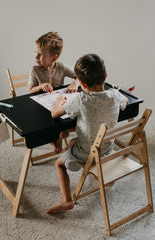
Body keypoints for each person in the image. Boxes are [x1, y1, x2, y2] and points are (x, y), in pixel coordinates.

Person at [47, 53, 129, 214]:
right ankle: (66, 141)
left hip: (89, 150)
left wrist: (59, 101)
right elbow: (125, 102)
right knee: (72, 138)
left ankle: (66, 200)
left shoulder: (81, 99)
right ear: (105, 75)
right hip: (106, 146)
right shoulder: (114, 94)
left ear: (82, 83)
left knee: (59, 164)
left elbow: (55, 114)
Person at [28, 31, 79, 153]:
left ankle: (58, 138)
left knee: (64, 121)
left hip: (57, 103)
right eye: (35, 52)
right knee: (53, 125)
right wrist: (40, 86)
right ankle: (56, 139)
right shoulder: (34, 69)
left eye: (40, 54)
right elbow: (30, 90)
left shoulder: (61, 67)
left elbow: (80, 76)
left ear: (54, 58)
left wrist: (75, 83)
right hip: (40, 105)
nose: (36, 57)